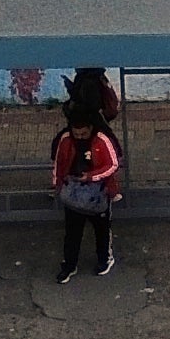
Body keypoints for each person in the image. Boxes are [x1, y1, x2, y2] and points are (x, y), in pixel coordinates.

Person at [51, 107, 122, 280]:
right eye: (76, 134)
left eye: (83, 133)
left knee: (102, 230)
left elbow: (112, 165)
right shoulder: (66, 139)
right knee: (72, 232)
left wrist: (91, 176)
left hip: (99, 191)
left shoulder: (102, 140)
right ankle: (69, 265)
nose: (80, 137)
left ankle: (104, 259)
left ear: (90, 128)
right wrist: (57, 184)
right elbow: (59, 163)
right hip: (74, 190)